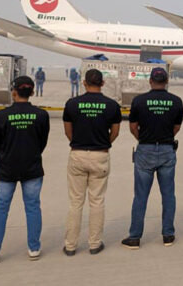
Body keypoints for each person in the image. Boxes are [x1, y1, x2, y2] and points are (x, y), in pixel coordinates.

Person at [0, 76, 50, 265]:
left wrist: (7, 154)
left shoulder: (2, 116)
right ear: (31, 92)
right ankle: (34, 248)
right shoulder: (41, 115)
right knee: (33, 207)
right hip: (32, 167)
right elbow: (42, 141)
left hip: (6, 168)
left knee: (1, 208)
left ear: (14, 91)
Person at [121, 68, 183, 250]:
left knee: (140, 195)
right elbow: (176, 127)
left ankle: (134, 237)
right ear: (166, 81)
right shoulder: (176, 101)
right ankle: (168, 235)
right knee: (168, 195)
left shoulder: (139, 101)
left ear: (150, 81)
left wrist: (143, 139)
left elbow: (133, 126)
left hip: (145, 149)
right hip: (166, 149)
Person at [62, 69, 121, 256]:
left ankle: (70, 245)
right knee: (97, 201)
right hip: (100, 155)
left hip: (77, 153)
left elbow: (68, 131)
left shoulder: (72, 104)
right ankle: (94, 244)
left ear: (84, 83)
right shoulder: (111, 105)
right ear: (102, 83)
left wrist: (79, 143)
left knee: (76, 202)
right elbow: (115, 132)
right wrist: (103, 144)